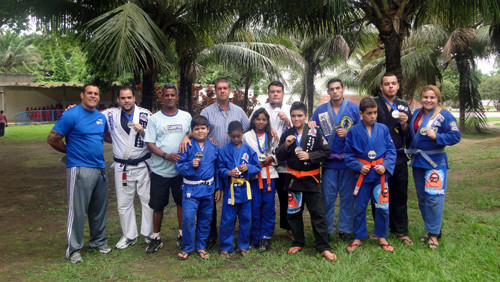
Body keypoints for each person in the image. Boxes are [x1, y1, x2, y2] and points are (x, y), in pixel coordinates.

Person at [182, 77, 250, 249]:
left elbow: (248, 130)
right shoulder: (206, 111)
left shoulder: (239, 112)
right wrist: (186, 136)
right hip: (211, 161)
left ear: (230, 91)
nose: (222, 91)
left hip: (233, 161)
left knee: (234, 198)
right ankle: (211, 235)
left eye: (225, 88)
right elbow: (198, 128)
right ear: (215, 91)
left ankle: (234, 234)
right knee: (211, 200)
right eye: (219, 88)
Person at [47, 84, 110, 264]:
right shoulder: (71, 114)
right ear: (82, 95)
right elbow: (52, 139)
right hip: (79, 168)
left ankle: (98, 242)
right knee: (78, 210)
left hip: (100, 168)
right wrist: (71, 153)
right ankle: (74, 249)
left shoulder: (100, 117)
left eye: (96, 94)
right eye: (89, 93)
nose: (93, 96)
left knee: (99, 209)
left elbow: (104, 137)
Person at [275, 101, 337, 262]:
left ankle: (323, 246)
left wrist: (310, 156)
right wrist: (287, 145)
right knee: (294, 213)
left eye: (300, 116)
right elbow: (279, 156)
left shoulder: (315, 132)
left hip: (312, 179)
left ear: (306, 116)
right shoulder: (287, 133)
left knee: (318, 213)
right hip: (294, 180)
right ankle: (298, 242)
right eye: (293, 116)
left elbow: (326, 152)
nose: (296, 119)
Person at [407, 85, 461, 249]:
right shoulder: (417, 113)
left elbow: (456, 136)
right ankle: (429, 230)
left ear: (438, 99)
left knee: (434, 198)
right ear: (421, 98)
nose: (428, 100)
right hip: (418, 161)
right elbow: (413, 134)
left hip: (435, 162)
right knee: (423, 198)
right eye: (425, 97)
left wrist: (437, 136)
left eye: (432, 98)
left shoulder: (444, 115)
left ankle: (434, 235)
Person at [101, 86, 154, 250]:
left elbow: (155, 137)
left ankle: (148, 233)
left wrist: (143, 130)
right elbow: (90, 116)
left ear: (134, 98)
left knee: (147, 200)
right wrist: (73, 108)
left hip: (143, 164)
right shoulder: (110, 115)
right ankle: (129, 235)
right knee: (124, 203)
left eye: (129, 97)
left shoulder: (146, 114)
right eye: (123, 98)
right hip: (122, 166)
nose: (126, 101)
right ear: (118, 100)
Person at [344, 97, 396, 253]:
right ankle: (358, 237)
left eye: (375, 113)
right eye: (369, 113)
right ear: (361, 113)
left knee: (382, 207)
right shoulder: (353, 131)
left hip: (380, 175)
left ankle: (382, 237)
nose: (373, 116)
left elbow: (391, 151)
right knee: (359, 207)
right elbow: (348, 154)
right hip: (363, 176)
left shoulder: (383, 129)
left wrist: (385, 166)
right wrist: (359, 166)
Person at [144, 83, 192, 254]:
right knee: (157, 205)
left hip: (181, 171)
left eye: (173, 95)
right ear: (162, 97)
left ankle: (181, 235)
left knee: (181, 203)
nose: (170, 98)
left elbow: (194, 133)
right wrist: (165, 155)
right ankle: (156, 237)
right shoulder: (155, 119)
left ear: (177, 97)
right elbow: (149, 143)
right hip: (159, 170)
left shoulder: (186, 116)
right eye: (166, 95)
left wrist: (187, 136)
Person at [310, 78, 360, 241]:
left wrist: (349, 133)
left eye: (338, 88)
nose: (335, 91)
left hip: (348, 162)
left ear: (343, 89)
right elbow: (313, 131)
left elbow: (362, 132)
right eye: (332, 89)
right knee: (328, 198)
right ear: (328, 92)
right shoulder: (320, 111)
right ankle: (328, 230)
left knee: (347, 198)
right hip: (329, 163)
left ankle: (345, 230)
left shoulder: (354, 109)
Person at [372, 73, 413, 245]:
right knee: (379, 195)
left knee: (399, 195)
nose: (390, 86)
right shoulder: (374, 103)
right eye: (386, 84)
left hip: (398, 156)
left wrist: (404, 124)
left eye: (393, 83)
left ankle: (401, 231)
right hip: (378, 158)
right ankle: (381, 230)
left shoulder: (403, 105)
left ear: (397, 86)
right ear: (381, 87)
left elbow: (408, 134)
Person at [250, 81, 293, 240]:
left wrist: (288, 120)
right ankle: (259, 228)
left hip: (286, 161)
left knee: (285, 195)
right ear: (268, 94)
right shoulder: (260, 109)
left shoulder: (289, 109)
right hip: (265, 161)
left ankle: (288, 227)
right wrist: (268, 128)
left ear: (283, 93)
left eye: (278, 91)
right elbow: (251, 127)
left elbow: (300, 129)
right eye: (272, 91)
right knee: (263, 199)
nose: (275, 94)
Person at [175, 115, 221, 260]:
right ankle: (188, 246)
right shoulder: (186, 146)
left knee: (205, 218)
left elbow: (217, 169)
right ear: (192, 131)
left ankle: (201, 245)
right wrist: (190, 165)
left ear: (208, 130)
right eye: (197, 129)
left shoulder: (213, 147)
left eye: (203, 128)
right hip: (191, 189)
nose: (200, 131)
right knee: (188, 218)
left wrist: (218, 188)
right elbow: (178, 166)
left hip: (208, 189)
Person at [218, 121, 261, 258]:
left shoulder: (249, 150)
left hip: (245, 189)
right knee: (227, 219)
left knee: (246, 219)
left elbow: (257, 167)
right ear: (228, 135)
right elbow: (219, 168)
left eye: (238, 136)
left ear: (242, 133)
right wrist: (228, 173)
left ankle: (243, 245)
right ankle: (226, 247)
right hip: (231, 189)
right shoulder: (223, 150)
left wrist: (248, 167)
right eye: (233, 137)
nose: (236, 139)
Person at [243, 108, 279, 251]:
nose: (261, 122)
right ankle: (254, 237)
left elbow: (278, 153)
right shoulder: (246, 136)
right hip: (253, 176)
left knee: (268, 207)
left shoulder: (272, 135)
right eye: (258, 119)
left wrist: (273, 158)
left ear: (267, 121)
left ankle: (265, 237)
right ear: (253, 120)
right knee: (254, 207)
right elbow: (243, 154)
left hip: (269, 175)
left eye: (264, 119)